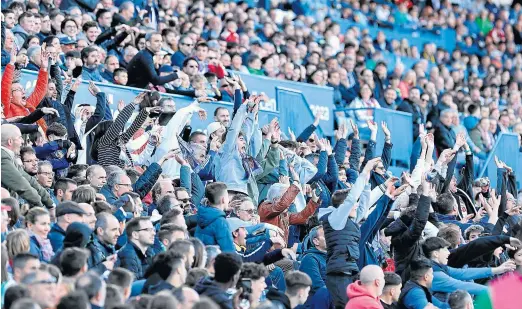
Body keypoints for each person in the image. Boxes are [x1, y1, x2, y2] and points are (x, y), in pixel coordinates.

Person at [1, 124, 54, 208]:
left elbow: (28, 179)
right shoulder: (2, 157)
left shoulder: (8, 156)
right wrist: (41, 206)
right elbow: (21, 185)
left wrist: (50, 203)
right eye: (19, 138)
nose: (22, 141)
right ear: (10, 141)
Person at [195, 182, 234, 252]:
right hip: (214, 261)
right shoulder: (221, 222)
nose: (229, 200)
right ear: (223, 200)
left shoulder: (203, 215)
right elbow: (228, 251)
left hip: (201, 259)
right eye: (227, 197)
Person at [299, 225, 327, 296]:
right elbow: (317, 286)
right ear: (316, 241)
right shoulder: (309, 259)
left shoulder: (335, 257)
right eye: (326, 235)